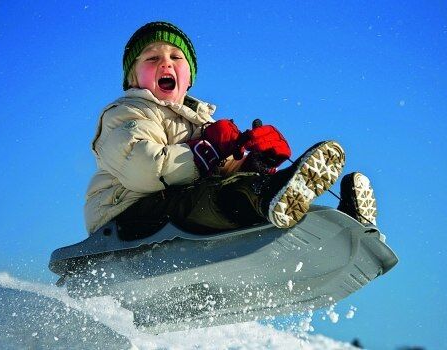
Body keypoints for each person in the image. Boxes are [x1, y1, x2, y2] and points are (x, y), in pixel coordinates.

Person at [84, 21, 377, 239]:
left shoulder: (201, 124)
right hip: (126, 216)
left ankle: (335, 222)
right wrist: (207, 150)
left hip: (179, 214)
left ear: (188, 79)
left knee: (236, 188)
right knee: (215, 198)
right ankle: (270, 196)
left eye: (176, 57)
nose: (165, 63)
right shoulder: (126, 112)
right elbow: (144, 169)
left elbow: (218, 172)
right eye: (152, 58)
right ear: (133, 79)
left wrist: (254, 162)